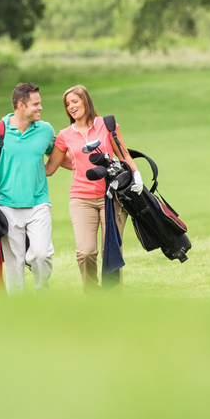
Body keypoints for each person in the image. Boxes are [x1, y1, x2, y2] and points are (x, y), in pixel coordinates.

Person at [45, 85, 143, 291]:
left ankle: (114, 296)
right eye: (67, 104)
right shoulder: (64, 135)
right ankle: (91, 292)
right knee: (86, 252)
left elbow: (123, 154)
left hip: (112, 197)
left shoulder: (107, 125)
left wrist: (136, 174)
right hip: (81, 199)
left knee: (112, 250)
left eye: (75, 101)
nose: (71, 107)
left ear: (86, 101)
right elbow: (50, 168)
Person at [0, 82, 57, 295]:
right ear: (20, 105)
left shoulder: (45, 130)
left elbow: (60, 155)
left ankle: (41, 293)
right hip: (7, 206)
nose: (40, 107)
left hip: (38, 204)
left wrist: (87, 165)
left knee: (40, 254)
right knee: (14, 265)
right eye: (36, 104)